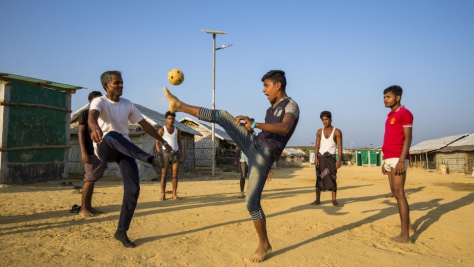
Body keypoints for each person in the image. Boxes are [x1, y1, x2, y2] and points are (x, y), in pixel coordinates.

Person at [163, 70, 299, 263]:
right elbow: (266, 129)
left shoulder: (291, 105)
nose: (263, 90)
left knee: (251, 203)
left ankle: (264, 244)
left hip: (264, 155)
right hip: (253, 143)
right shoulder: (272, 107)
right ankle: (179, 105)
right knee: (223, 116)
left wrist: (255, 124)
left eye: (266, 86)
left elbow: (284, 128)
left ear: (278, 85)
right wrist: (251, 124)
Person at [88, 70, 172, 248]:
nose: (121, 86)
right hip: (105, 146)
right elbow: (92, 117)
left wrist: (163, 140)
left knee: (133, 190)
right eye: (116, 83)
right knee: (112, 134)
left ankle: (121, 231)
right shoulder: (99, 101)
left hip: (124, 149)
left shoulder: (128, 104)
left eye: (121, 82)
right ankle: (150, 160)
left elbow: (145, 125)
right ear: (106, 86)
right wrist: (94, 127)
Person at [381, 85, 414, 243]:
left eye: (388, 97)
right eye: (384, 97)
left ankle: (405, 235)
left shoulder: (405, 113)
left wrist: (401, 160)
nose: (385, 99)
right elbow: (390, 137)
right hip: (389, 158)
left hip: (397, 158)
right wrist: (384, 161)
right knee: (394, 192)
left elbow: (408, 138)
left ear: (398, 97)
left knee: (399, 193)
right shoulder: (390, 116)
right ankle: (408, 226)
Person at [78, 91, 107, 217]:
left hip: (99, 151)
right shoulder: (85, 113)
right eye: (95, 100)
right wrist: (83, 151)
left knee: (93, 179)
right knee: (89, 179)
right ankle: (83, 208)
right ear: (90, 102)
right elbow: (80, 133)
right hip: (89, 151)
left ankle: (89, 206)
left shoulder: (101, 115)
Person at [311, 111, 343, 207]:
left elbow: (340, 146)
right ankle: (317, 199)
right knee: (318, 178)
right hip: (321, 158)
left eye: (326, 119)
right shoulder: (319, 132)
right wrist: (316, 157)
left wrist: (339, 160)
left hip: (331, 159)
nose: (325, 121)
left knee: (333, 178)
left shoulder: (337, 131)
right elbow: (316, 145)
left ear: (330, 119)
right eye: (323, 120)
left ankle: (334, 200)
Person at [156, 111, 183, 201]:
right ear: (166, 119)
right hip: (165, 155)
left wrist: (181, 152)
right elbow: (157, 142)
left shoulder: (177, 130)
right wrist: (159, 152)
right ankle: (163, 194)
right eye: (169, 118)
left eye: (173, 119)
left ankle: (174, 194)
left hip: (175, 154)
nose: (171, 120)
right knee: (164, 175)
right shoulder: (162, 130)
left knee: (175, 175)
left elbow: (179, 142)